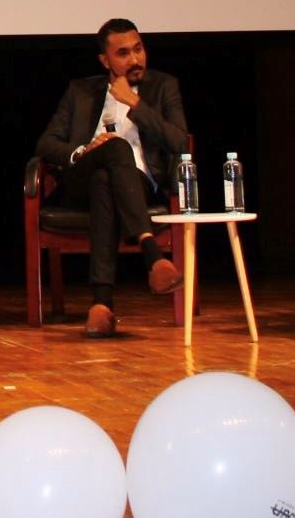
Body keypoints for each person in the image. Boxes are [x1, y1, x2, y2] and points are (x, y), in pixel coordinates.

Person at [35, 18, 187, 337]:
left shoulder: (163, 86)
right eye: (123, 53)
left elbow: (179, 141)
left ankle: (102, 304)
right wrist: (84, 150)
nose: (135, 59)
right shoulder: (80, 91)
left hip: (138, 184)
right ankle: (151, 254)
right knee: (113, 150)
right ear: (105, 61)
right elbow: (46, 143)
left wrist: (135, 103)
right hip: (80, 179)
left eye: (138, 49)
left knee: (104, 180)